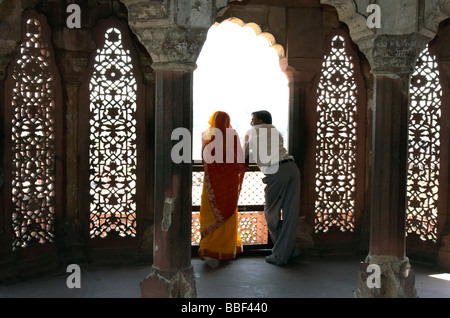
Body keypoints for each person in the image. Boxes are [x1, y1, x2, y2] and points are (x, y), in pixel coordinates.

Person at [244, 110, 300, 266]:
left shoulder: (254, 131)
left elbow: (245, 155)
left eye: (253, 120)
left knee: (271, 213)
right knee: (290, 213)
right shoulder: (276, 131)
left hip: (276, 171)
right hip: (292, 168)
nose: (251, 123)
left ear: (260, 120)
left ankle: (280, 255)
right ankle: (289, 250)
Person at [198, 111, 246, 268]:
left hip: (212, 183)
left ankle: (209, 250)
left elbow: (205, 157)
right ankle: (224, 249)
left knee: (211, 214)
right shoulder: (232, 134)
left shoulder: (206, 134)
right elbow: (239, 159)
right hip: (229, 184)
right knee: (228, 213)